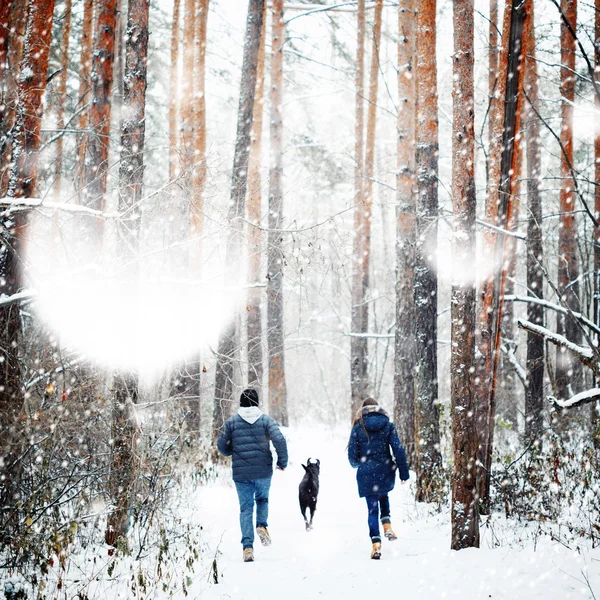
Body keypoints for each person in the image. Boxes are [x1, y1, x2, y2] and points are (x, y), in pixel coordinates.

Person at [217, 388, 288, 563]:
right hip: (263, 471)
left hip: (241, 474)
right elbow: (279, 439)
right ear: (257, 403)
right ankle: (262, 525)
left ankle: (248, 547)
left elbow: (221, 446)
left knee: (246, 508)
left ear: (241, 402)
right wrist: (282, 462)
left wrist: (230, 450)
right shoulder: (265, 421)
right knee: (262, 500)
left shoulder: (232, 422)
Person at [347, 398, 409, 559]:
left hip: (367, 474)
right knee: (383, 494)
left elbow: (352, 459)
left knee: (372, 509)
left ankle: (376, 544)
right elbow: (398, 450)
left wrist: (361, 464)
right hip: (385, 470)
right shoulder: (388, 426)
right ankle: (387, 526)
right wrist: (404, 473)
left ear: (363, 410)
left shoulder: (357, 428)